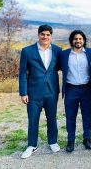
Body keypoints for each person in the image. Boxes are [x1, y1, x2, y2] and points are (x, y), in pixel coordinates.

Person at [19, 25, 62, 159]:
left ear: (51, 36)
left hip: (51, 91)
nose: (45, 37)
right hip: (33, 92)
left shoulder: (57, 50)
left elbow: (62, 67)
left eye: (48, 35)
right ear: (38, 35)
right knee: (33, 120)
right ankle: (32, 145)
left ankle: (53, 142)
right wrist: (23, 92)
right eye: (43, 34)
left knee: (52, 118)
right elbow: (22, 73)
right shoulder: (27, 51)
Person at [60, 30, 91, 152]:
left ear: (84, 40)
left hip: (87, 89)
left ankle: (87, 139)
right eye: (75, 39)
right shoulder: (64, 54)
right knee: (70, 116)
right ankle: (70, 141)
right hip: (71, 89)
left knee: (87, 116)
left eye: (80, 39)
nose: (78, 41)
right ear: (71, 41)